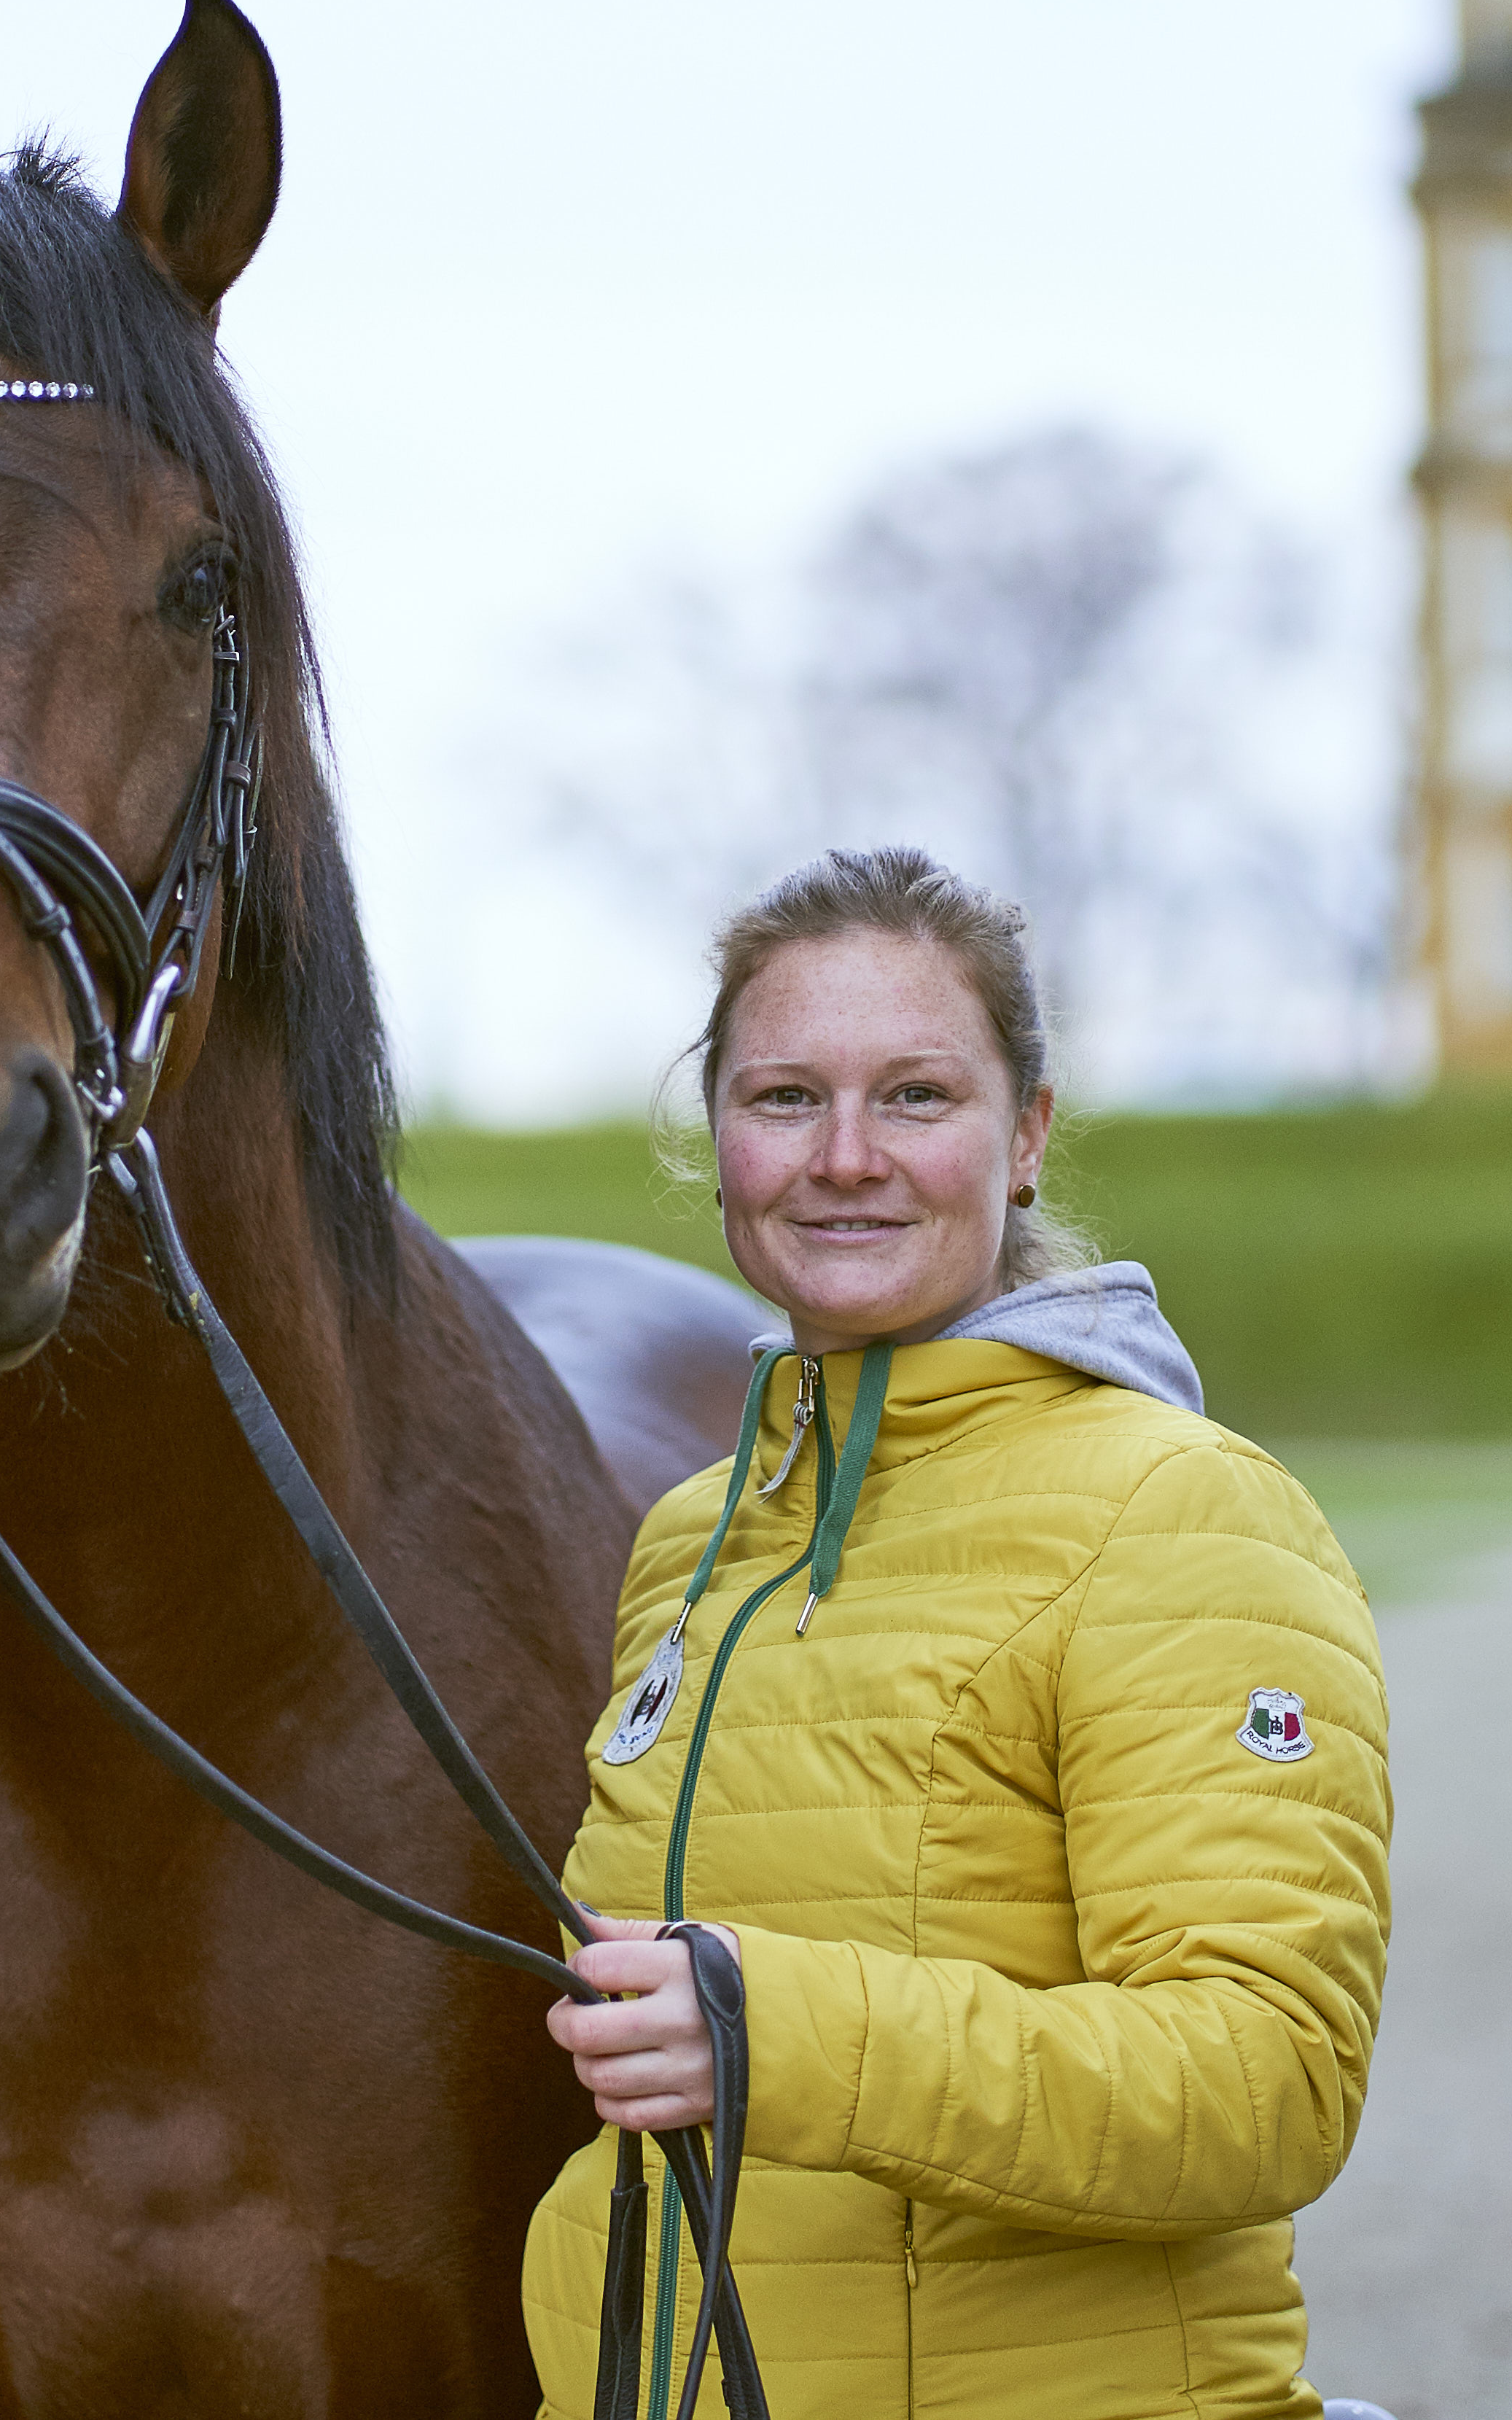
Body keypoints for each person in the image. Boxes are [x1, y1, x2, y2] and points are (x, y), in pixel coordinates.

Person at [525, 848, 1392, 2420]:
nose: (845, 1155)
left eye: (917, 1096)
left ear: (1029, 1137)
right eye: (785, 1096)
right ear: (714, 1137)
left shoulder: (1183, 1511)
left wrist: (771, 2033)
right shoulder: (693, 1542)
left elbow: (1272, 2082)